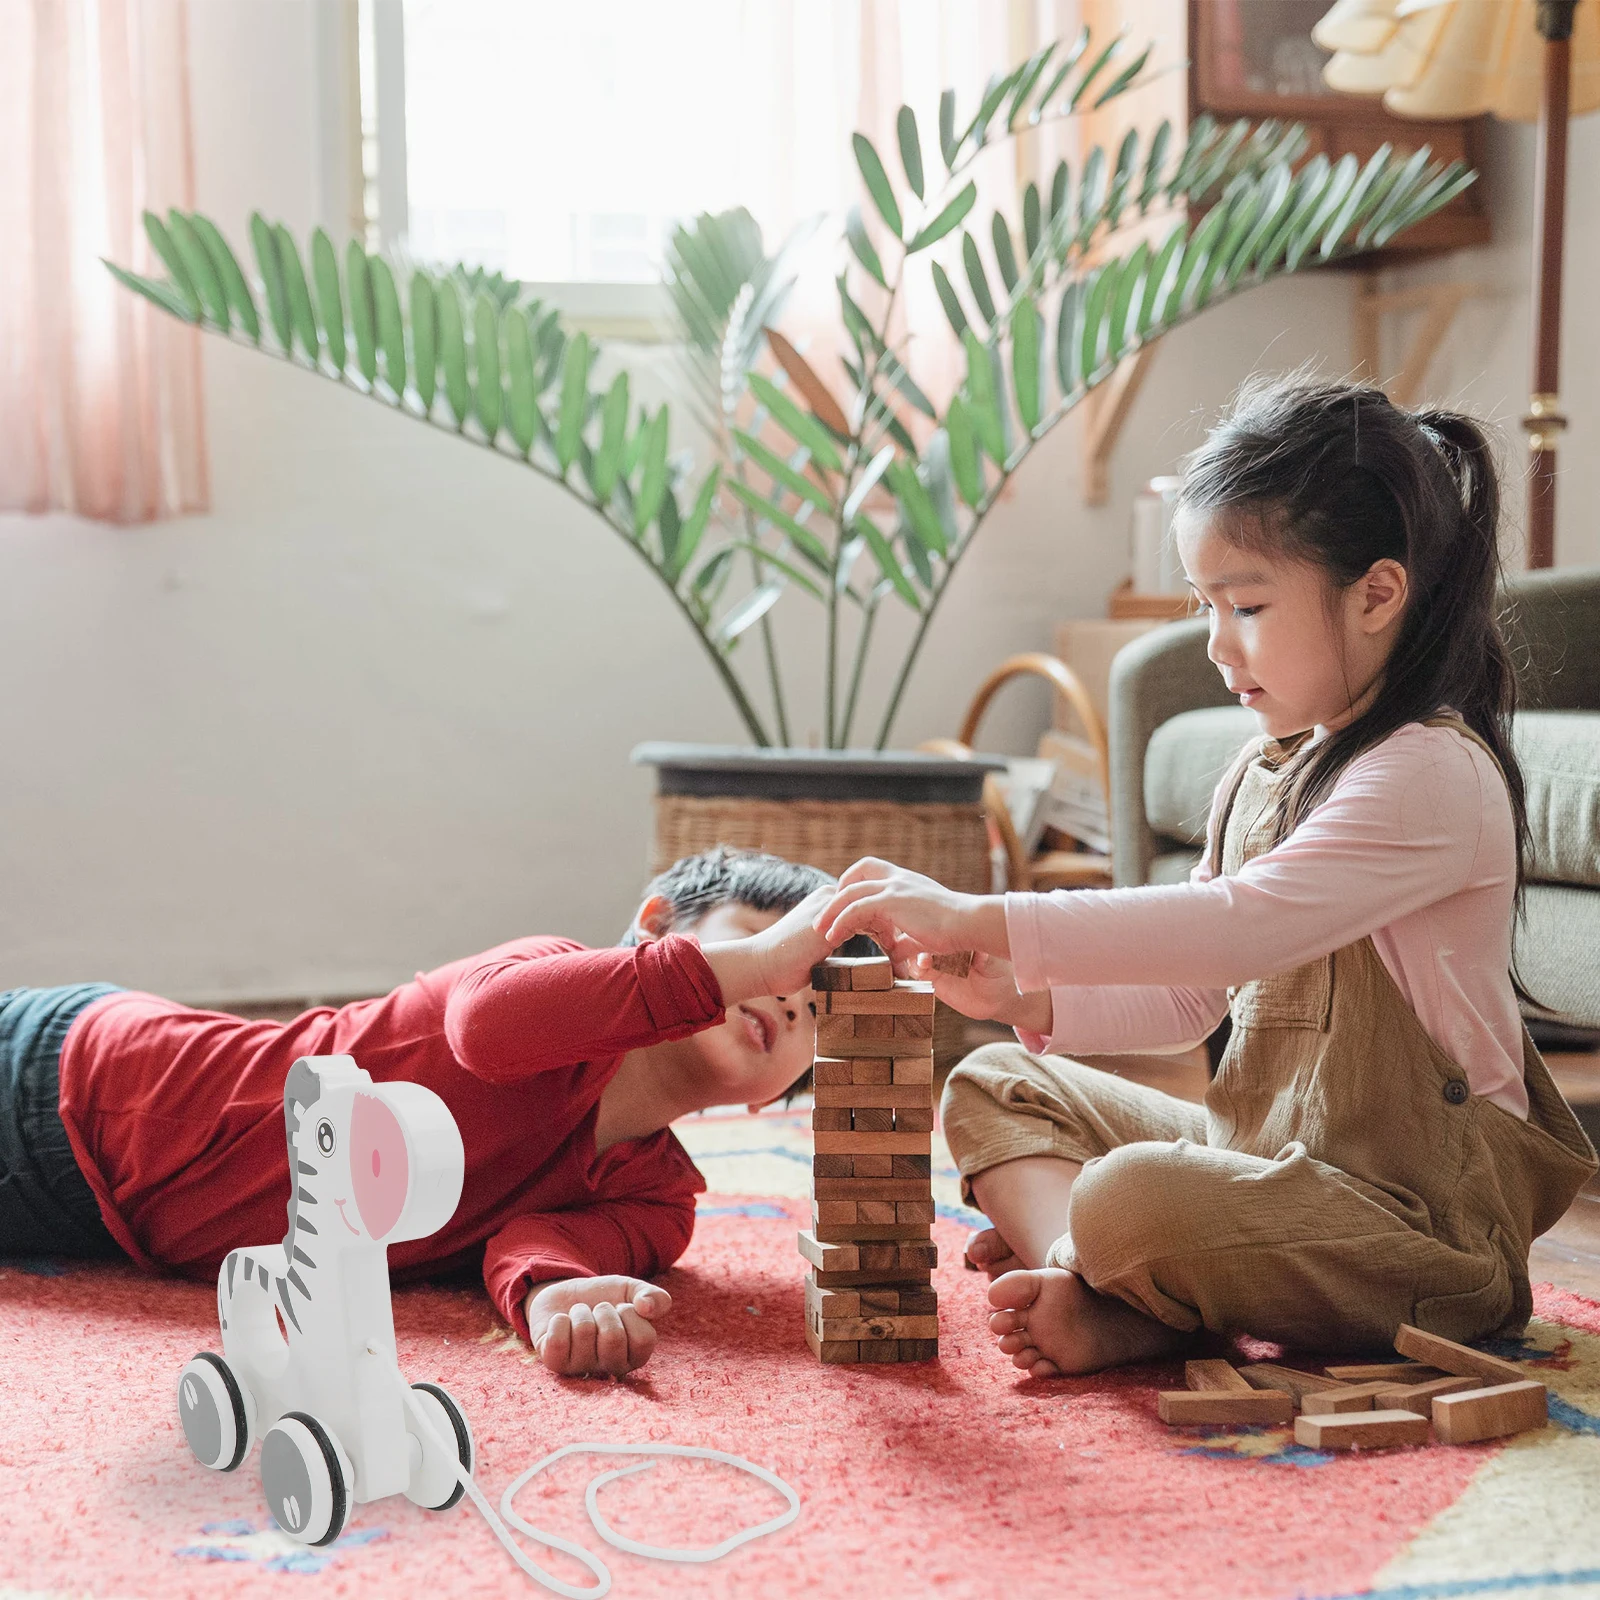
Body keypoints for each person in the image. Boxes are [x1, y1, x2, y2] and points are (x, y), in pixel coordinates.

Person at [815, 376, 1597, 1376]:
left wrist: (984, 911)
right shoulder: (1263, 770)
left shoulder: (1428, 774)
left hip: (1424, 1236)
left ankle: (1099, 1270)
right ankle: (1110, 1279)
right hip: (1270, 1169)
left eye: (1248, 606)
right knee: (992, 1080)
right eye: (1204, 606)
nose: (1218, 646)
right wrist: (1024, 990)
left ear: (1376, 594)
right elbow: (1196, 997)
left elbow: (1236, 925)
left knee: (1123, 1196)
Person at [0, 847, 834, 1378]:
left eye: (813, 1007)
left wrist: (553, 1299)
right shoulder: (541, 972)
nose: (789, 995)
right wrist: (755, 964)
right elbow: (487, 1031)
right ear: (655, 927)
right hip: (76, 1082)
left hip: (96, 1225)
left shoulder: (659, 1201)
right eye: (774, 950)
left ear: (772, 1099)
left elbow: (537, 1243)